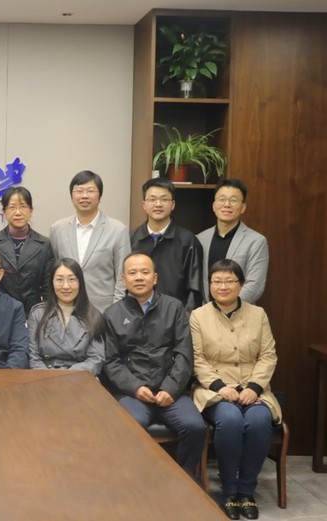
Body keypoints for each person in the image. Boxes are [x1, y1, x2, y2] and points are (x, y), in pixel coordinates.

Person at [101, 252, 206, 477]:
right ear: (123, 279)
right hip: (133, 394)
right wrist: (136, 387)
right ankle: (138, 481)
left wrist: (170, 388)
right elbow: (111, 361)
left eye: (145, 272)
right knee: (131, 424)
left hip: (171, 393)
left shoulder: (174, 308)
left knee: (195, 427)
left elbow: (184, 353)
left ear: (155, 278)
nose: (139, 277)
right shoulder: (112, 314)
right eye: (132, 273)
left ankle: (184, 480)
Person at [190, 259, 281, 520]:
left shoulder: (258, 314)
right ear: (209, 285)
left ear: (240, 284)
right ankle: (230, 491)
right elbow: (197, 359)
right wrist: (220, 387)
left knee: (260, 420)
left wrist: (254, 387)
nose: (223, 286)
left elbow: (268, 355)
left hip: (254, 388)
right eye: (217, 281)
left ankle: (246, 491)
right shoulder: (198, 316)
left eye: (230, 281)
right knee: (229, 420)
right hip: (214, 390)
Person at [49, 170, 131, 312]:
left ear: (100, 196)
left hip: (103, 310)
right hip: (66, 309)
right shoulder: (57, 229)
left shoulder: (118, 230)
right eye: (79, 191)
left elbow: (122, 277)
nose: (84, 196)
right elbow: (54, 270)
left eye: (90, 191)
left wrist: (116, 311)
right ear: (72, 196)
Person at [130, 177, 204, 312]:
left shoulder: (188, 241)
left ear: (173, 204)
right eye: (152, 199)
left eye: (164, 199)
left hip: (175, 317)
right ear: (144, 204)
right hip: (136, 315)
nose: (158, 204)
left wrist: (183, 320)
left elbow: (194, 290)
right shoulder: (131, 239)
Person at [27, 258, 105, 375]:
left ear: (80, 282)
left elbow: (95, 359)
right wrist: (51, 377)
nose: (66, 286)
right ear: (52, 282)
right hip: (44, 377)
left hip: (81, 377)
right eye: (59, 280)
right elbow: (33, 358)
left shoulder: (93, 315)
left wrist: (67, 376)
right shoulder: (37, 314)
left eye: (71, 279)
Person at [0, 186, 54, 314]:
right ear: (4, 212)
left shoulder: (44, 244)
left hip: (33, 312)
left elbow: (48, 287)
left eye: (23, 207)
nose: (18, 212)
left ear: (31, 211)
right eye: (12, 207)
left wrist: (44, 315)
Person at [197, 179, 269, 304]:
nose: (227, 205)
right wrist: (209, 311)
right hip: (205, 312)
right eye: (222, 199)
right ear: (214, 206)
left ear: (243, 207)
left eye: (233, 200)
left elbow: (255, 285)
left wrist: (226, 307)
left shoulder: (256, 241)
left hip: (240, 312)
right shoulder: (200, 238)